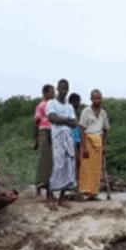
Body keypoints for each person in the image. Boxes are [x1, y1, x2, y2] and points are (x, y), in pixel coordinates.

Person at [46, 79, 78, 210]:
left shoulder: (69, 106)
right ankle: (51, 196)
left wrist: (61, 120)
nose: (64, 91)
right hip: (58, 137)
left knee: (68, 166)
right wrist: (66, 120)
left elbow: (75, 122)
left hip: (68, 138)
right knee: (58, 165)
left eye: (66, 89)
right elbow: (52, 118)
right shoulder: (51, 103)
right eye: (62, 88)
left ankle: (62, 198)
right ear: (58, 88)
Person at [78, 89, 110, 200]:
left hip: (99, 142)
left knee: (96, 169)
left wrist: (104, 145)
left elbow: (106, 129)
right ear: (91, 99)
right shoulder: (86, 111)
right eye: (96, 98)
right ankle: (85, 192)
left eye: (99, 98)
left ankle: (94, 193)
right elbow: (81, 129)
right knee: (86, 168)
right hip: (88, 141)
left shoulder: (103, 113)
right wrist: (84, 147)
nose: (98, 100)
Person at [34, 84, 55, 200]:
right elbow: (36, 123)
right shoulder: (41, 105)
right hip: (44, 132)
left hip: (52, 133)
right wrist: (36, 138)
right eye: (51, 92)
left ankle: (48, 189)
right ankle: (39, 187)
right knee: (44, 161)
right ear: (45, 93)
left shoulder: (53, 105)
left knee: (50, 162)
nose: (53, 94)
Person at [69, 93, 82, 180]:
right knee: (74, 163)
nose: (79, 104)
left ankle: (76, 182)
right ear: (74, 102)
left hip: (76, 140)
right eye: (78, 102)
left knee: (77, 163)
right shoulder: (68, 112)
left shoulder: (74, 113)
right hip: (71, 140)